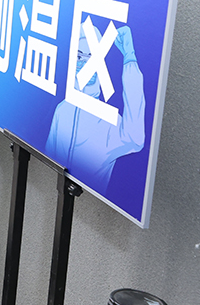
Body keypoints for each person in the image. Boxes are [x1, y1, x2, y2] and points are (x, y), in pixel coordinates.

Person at [45, 23, 146, 194]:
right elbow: (48, 157)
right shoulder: (62, 110)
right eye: (79, 56)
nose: (85, 64)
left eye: (91, 58)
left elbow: (135, 138)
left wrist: (130, 59)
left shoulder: (108, 120)